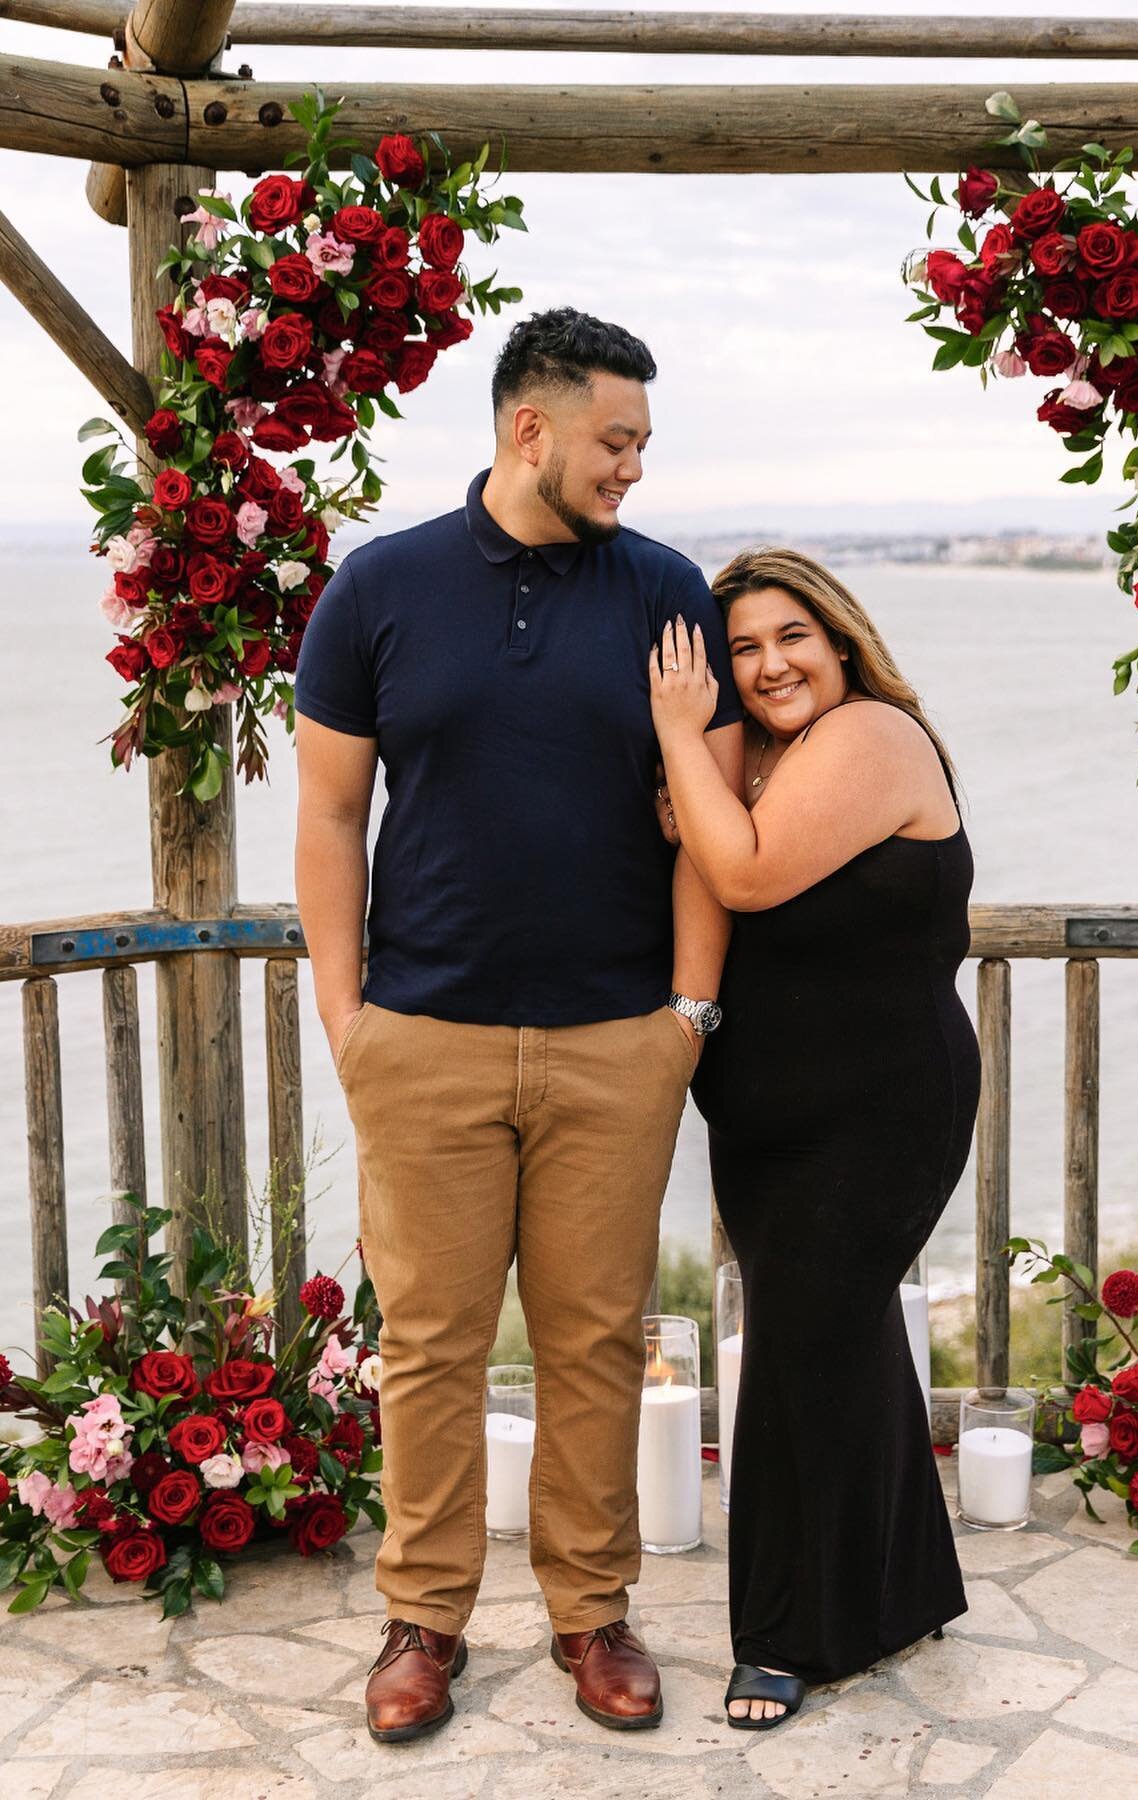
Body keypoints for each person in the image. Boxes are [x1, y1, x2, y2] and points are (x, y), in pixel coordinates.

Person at [294, 308, 744, 1745]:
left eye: (644, 446)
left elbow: (708, 828)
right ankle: (423, 1620)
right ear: (526, 428)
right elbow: (326, 814)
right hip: (421, 1035)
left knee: (597, 1341)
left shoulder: (669, 593)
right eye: (616, 442)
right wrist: (346, 1013)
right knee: (427, 1343)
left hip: (618, 1038)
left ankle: (590, 1610)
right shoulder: (378, 589)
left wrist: (686, 1014)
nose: (632, 470)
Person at [648, 547, 977, 1729]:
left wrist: (683, 727)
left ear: (839, 639)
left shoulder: (872, 737)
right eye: (742, 648)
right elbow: (693, 865)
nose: (770, 663)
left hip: (881, 1108)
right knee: (836, 1341)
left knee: (801, 1348)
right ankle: (906, 1586)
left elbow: (739, 871)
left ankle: (789, 1638)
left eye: (792, 636)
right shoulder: (767, 753)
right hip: (770, 1115)